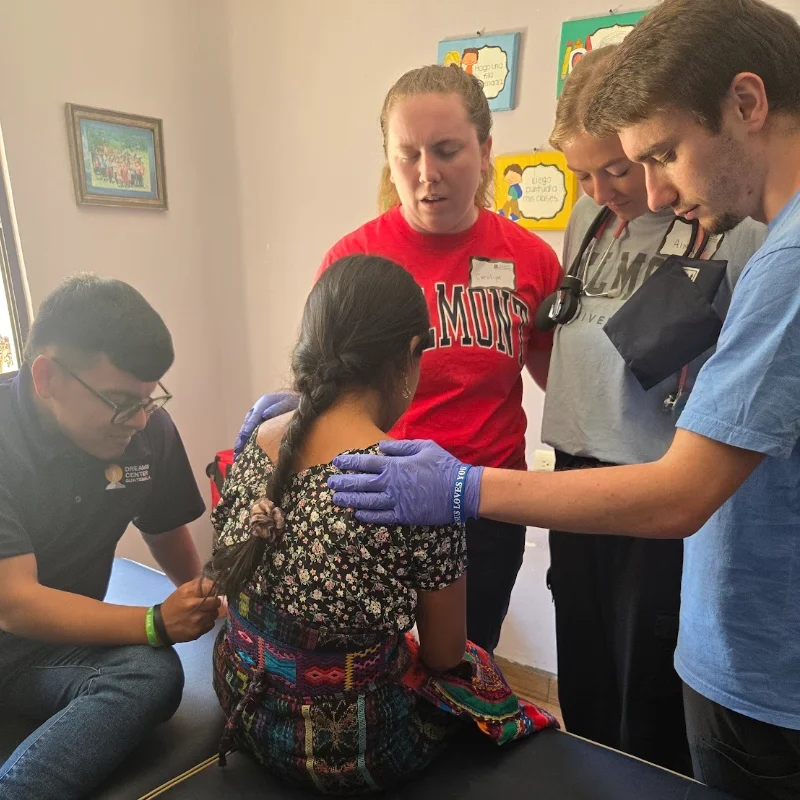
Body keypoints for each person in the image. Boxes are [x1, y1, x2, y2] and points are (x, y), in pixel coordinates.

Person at [326, 1, 800, 797]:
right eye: (408, 154)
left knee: (619, 718)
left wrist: (463, 487)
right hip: (565, 497)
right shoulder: (379, 254)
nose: (649, 193)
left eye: (661, 156)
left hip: (691, 566)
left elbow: (683, 490)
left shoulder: (770, 252)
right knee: (586, 696)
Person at [236, 64, 562, 655]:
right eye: (406, 155)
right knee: (365, 667)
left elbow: (559, 385)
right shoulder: (353, 261)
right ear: (387, 158)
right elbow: (324, 382)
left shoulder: (532, 259)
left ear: (486, 150)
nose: (426, 175)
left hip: (485, 504)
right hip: (370, 503)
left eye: (446, 151)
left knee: (462, 661)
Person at [207, 255, 554, 795]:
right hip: (353, 753)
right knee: (476, 667)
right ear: (411, 355)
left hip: (241, 705)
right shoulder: (411, 482)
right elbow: (442, 655)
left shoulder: (259, 434)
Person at [541, 45, 764, 774]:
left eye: (616, 166)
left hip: (659, 487)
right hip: (574, 481)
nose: (603, 187)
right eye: (583, 173)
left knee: (649, 695)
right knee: (586, 677)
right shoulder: (586, 223)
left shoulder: (734, 226)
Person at [0, 275, 220, 800]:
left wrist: (211, 605)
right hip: (10, 632)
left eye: (149, 398)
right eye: (122, 400)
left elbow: (164, 528)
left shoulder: (148, 431)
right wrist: (155, 621)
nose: (140, 419)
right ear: (47, 377)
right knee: (150, 654)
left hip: (49, 651)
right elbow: (14, 603)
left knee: (151, 673)